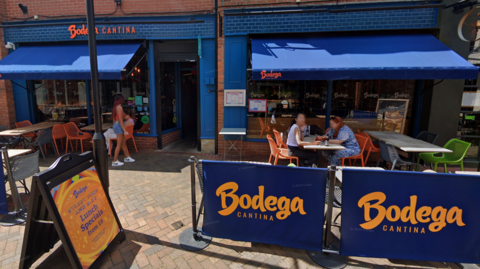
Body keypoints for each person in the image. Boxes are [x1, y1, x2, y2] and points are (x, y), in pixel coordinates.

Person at [112, 94, 135, 166]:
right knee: (119, 144)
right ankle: (115, 161)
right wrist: (124, 130)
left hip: (117, 125)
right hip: (119, 125)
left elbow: (114, 119)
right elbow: (121, 121)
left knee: (122, 143)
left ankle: (127, 157)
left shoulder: (115, 107)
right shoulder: (120, 107)